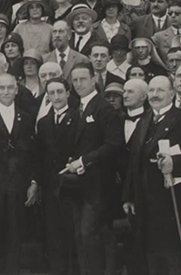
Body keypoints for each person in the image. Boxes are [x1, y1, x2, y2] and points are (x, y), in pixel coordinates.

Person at [122, 76, 181, 275]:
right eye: (151, 91)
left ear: (172, 93)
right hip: (146, 202)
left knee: (174, 257)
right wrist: (129, 195)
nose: (154, 95)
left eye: (160, 90)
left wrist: (175, 163)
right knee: (151, 256)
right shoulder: (144, 120)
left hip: (175, 202)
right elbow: (133, 160)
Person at [60, 62, 122, 275]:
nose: (78, 84)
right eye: (75, 80)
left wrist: (84, 161)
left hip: (99, 184)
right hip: (79, 184)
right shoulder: (77, 108)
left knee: (90, 233)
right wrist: (72, 161)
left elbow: (114, 144)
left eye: (82, 79)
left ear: (94, 79)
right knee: (80, 235)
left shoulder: (104, 108)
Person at [0, 73, 38, 275]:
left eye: (10, 87)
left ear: (16, 90)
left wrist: (33, 182)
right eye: (1, 88)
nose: (6, 92)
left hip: (17, 184)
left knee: (15, 234)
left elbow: (33, 153)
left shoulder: (26, 118)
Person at [36, 77, 78, 275]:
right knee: (53, 232)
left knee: (71, 231)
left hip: (71, 184)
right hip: (50, 185)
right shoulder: (43, 123)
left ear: (68, 93)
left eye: (60, 92)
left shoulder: (77, 117)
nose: (56, 96)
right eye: (51, 93)